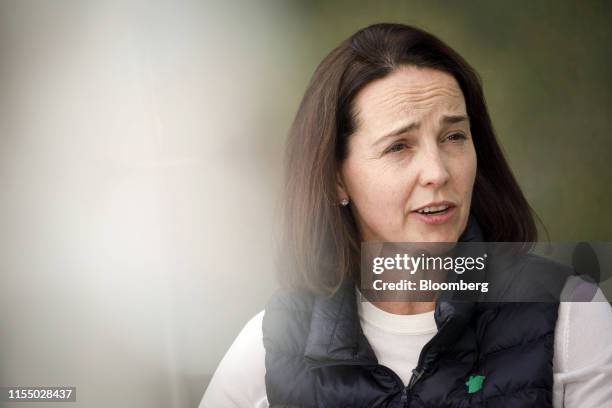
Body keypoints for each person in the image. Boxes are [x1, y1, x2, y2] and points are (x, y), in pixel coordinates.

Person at [200, 23, 612, 407]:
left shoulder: (571, 313)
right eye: (399, 147)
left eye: (454, 137)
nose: (438, 172)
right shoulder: (272, 345)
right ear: (336, 180)